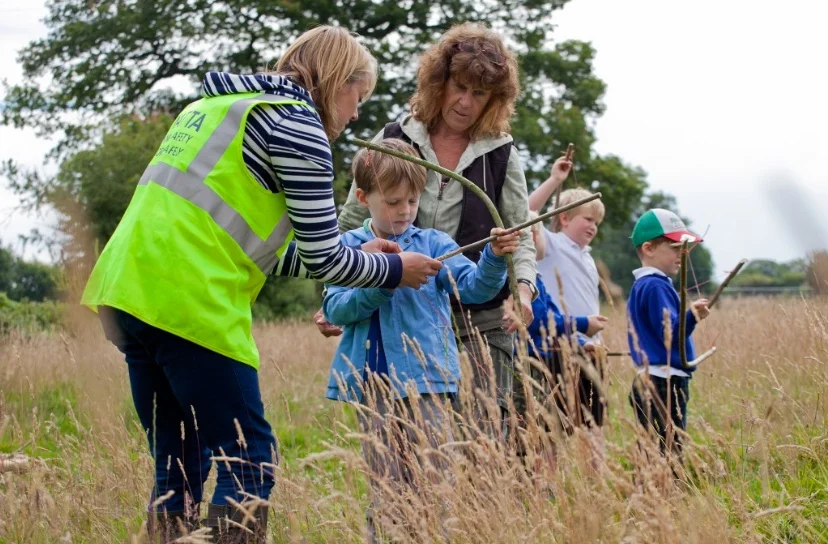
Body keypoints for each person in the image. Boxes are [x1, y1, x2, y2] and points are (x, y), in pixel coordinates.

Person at [80, 26, 442, 543]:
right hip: (189, 301)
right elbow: (325, 257)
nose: (357, 114)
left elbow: (259, 247)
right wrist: (393, 269)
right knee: (248, 460)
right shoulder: (299, 126)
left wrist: (358, 253)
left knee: (176, 461)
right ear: (337, 81)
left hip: (125, 294)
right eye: (357, 97)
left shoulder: (209, 110)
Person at [321, 22, 537, 425]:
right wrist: (333, 291)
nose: (466, 102)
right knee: (408, 443)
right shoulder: (392, 137)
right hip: (405, 312)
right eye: (459, 86)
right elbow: (350, 221)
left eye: (479, 93)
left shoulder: (503, 153)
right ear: (439, 82)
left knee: (484, 435)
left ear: (494, 99)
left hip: (482, 315)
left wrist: (523, 291)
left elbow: (519, 235)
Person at [323, 138, 517, 542]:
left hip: (428, 382)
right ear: (363, 197)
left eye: (412, 201)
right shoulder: (349, 248)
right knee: (386, 487)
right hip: (371, 386)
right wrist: (387, 277)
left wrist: (495, 257)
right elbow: (337, 309)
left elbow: (474, 289)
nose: (404, 211)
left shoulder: (435, 245)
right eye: (393, 202)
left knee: (433, 484)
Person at [517, 211, 607, 467]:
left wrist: (581, 343)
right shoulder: (527, 280)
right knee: (546, 432)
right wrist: (583, 324)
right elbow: (544, 322)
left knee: (556, 429)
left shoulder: (539, 280)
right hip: (538, 365)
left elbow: (554, 317)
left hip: (552, 359)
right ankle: (544, 488)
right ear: (532, 237)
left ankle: (550, 487)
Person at [626, 209, 710, 457]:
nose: (681, 255)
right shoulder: (654, 285)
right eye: (675, 248)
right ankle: (667, 494)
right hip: (663, 380)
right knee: (669, 451)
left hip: (653, 378)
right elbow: (670, 333)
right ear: (649, 248)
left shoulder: (647, 284)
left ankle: (650, 492)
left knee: (654, 450)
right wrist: (691, 315)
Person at [529, 182, 606, 346]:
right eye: (589, 219)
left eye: (596, 223)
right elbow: (525, 215)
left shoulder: (588, 258)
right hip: (560, 341)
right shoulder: (551, 244)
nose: (593, 227)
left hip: (589, 343)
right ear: (564, 218)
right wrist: (554, 178)